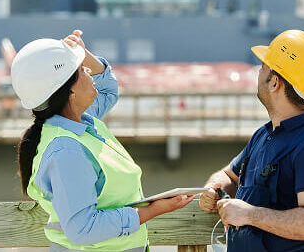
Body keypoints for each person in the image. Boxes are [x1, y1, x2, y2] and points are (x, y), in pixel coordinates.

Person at [11, 30, 194, 252]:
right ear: (69, 92)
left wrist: (82, 52)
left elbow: (108, 89)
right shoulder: (66, 150)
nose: (89, 71)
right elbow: (82, 228)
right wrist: (154, 210)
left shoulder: (84, 124)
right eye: (81, 70)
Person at [199, 29, 304, 252]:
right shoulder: (265, 135)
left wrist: (249, 215)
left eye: (263, 68)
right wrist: (213, 189)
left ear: (275, 82)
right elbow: (228, 175)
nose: (259, 74)